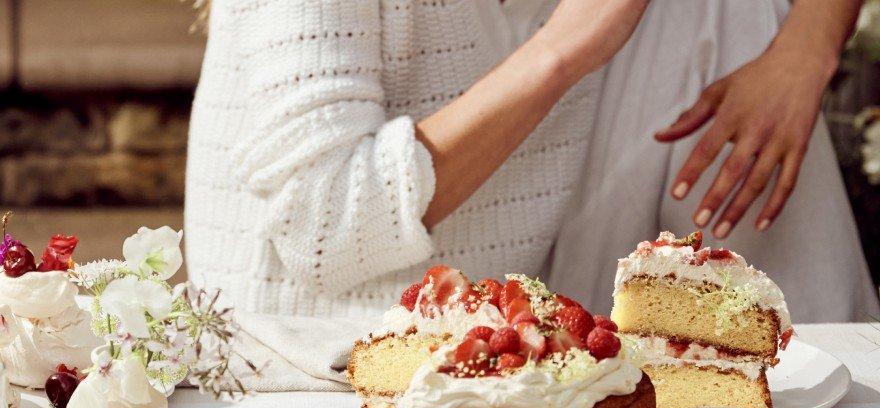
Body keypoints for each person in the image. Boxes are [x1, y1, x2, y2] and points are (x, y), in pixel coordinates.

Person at [184, 0, 880, 321]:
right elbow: (322, 228)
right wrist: (560, 53)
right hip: (309, 369)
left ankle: (807, 401)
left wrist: (805, 50)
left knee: (727, 15)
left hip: (513, 346)